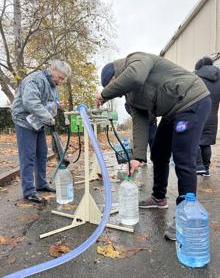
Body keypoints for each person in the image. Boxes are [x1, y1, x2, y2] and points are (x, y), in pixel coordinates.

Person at [96, 52, 211, 240]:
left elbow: (135, 76)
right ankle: (159, 198)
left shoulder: (136, 60)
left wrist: (104, 94)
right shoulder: (131, 98)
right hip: (172, 111)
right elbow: (140, 122)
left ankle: (186, 216)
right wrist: (136, 156)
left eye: (113, 86)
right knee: (158, 152)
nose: (116, 91)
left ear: (115, 77)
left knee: (183, 157)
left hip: (192, 101)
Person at [12, 60, 72, 203]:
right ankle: (29, 191)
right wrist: (47, 117)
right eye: (60, 77)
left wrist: (56, 105)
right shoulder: (35, 79)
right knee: (28, 156)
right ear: (52, 69)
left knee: (42, 153)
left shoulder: (53, 85)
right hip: (24, 121)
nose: (61, 81)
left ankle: (41, 184)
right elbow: (31, 102)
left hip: (38, 122)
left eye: (63, 79)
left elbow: (48, 102)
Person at [194, 57, 220, 177]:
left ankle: (199, 166)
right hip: (213, 115)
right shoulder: (218, 77)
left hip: (198, 112)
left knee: (195, 140)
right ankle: (206, 169)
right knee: (206, 142)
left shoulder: (196, 76)